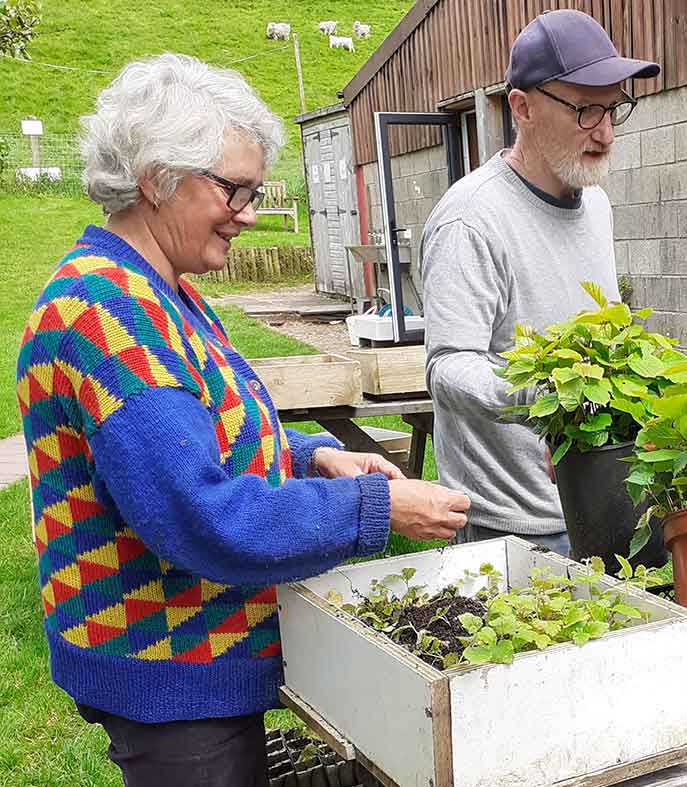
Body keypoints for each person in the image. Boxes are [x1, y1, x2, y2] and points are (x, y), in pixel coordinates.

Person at [15, 53, 470, 787]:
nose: (251, 213)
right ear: (156, 177)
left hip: (198, 656)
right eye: (234, 189)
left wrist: (309, 457)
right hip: (170, 675)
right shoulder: (108, 315)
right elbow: (201, 516)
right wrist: (376, 506)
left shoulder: (157, 290)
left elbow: (193, 433)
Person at [420, 10, 659, 554]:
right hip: (512, 525)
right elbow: (448, 366)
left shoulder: (595, 203)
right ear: (522, 108)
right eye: (585, 108)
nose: (604, 131)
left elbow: (608, 337)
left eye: (615, 106)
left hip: (603, 503)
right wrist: (549, 401)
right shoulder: (472, 220)